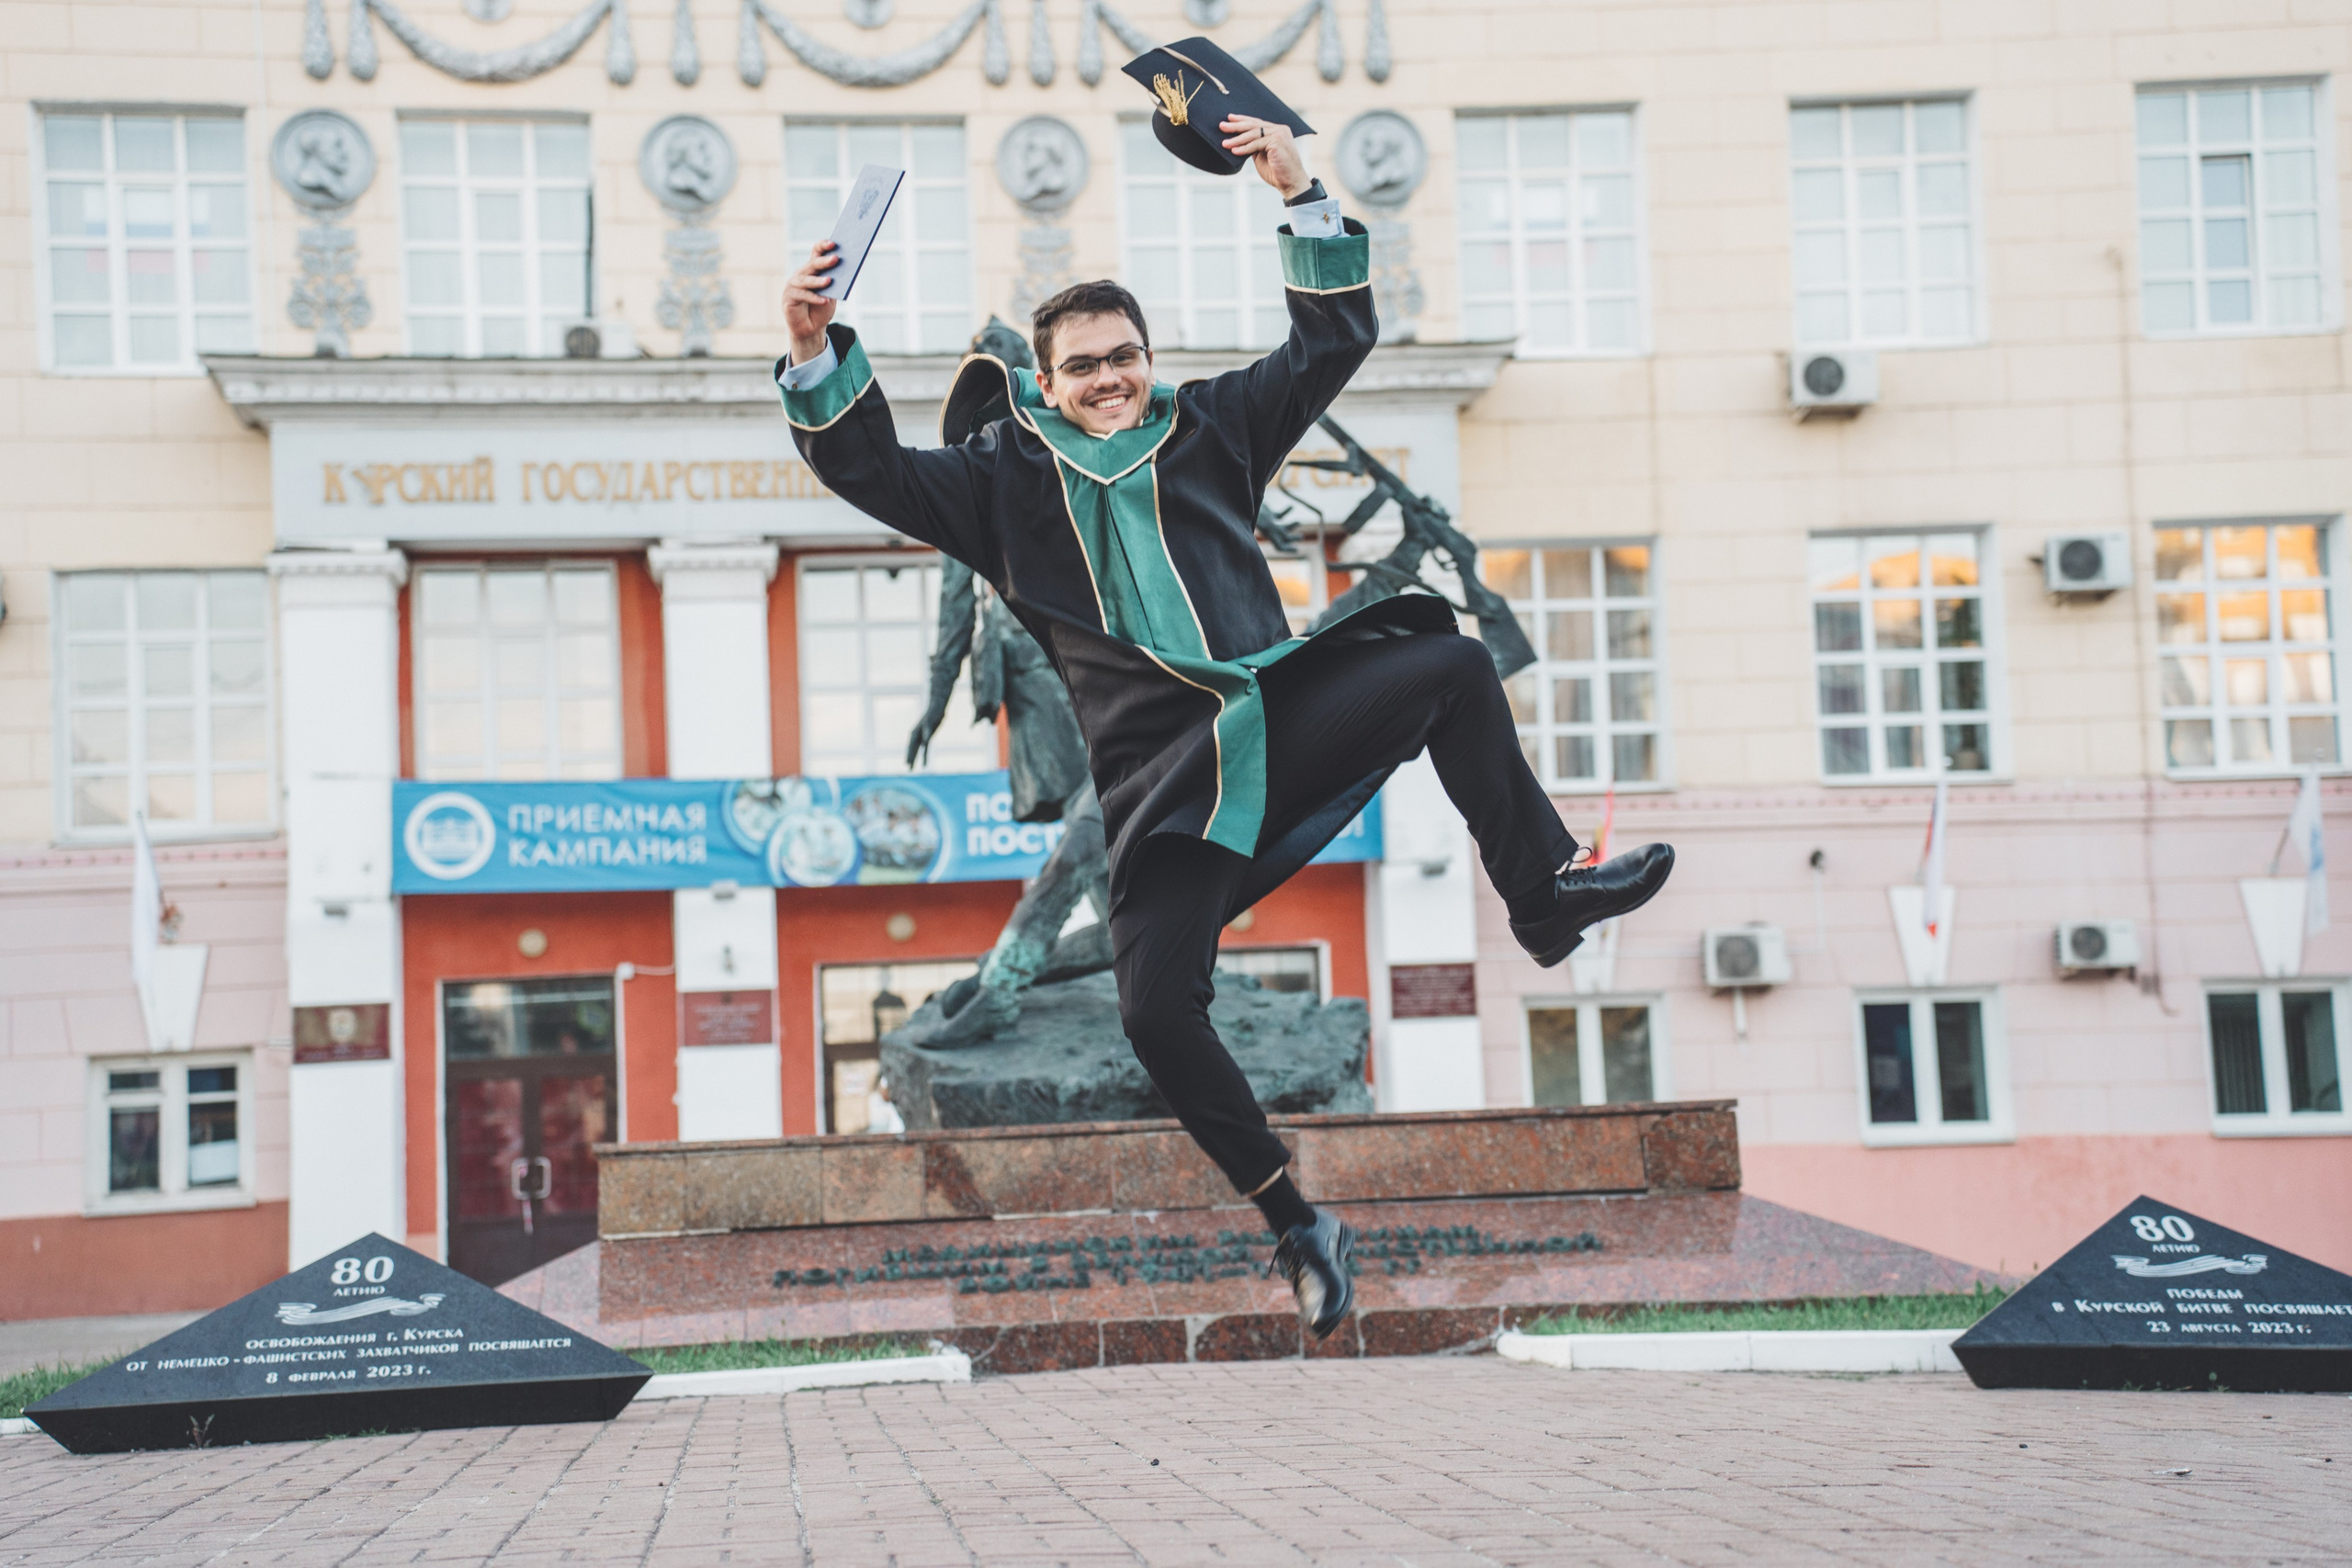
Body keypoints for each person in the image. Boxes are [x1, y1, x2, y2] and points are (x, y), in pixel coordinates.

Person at [775, 109, 1675, 1339]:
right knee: (1155, 1013)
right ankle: (1294, 1222)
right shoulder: (1000, 482)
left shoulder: (1213, 428)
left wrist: (1297, 188)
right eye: (1083, 364)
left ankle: (1542, 892)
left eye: (1123, 355)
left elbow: (1332, 335)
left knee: (1451, 663)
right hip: (1160, 785)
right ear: (1047, 382)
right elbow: (867, 469)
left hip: (1273, 709)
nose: (1108, 378)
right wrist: (818, 347)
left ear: (1148, 357)